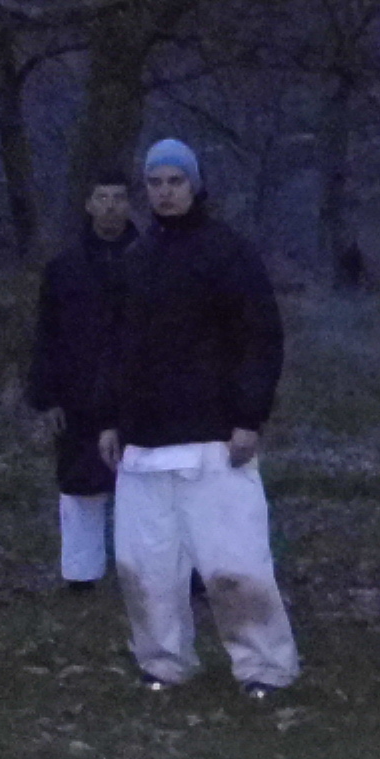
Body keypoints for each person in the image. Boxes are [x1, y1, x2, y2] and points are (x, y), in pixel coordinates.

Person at [94, 140, 300, 696]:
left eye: (175, 181)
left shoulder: (228, 253)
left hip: (214, 438)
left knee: (235, 564)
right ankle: (163, 661)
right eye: (155, 182)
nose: (165, 192)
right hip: (144, 444)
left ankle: (265, 667)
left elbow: (261, 338)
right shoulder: (135, 261)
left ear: (195, 184)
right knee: (146, 567)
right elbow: (115, 346)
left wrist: (248, 417)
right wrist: (109, 418)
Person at [26, 169, 137, 592]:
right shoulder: (64, 268)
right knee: (80, 485)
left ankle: (146, 570)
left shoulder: (152, 260)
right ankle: (81, 573)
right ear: (89, 205)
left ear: (130, 204)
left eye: (118, 197)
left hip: (139, 389)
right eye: (102, 198)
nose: (110, 206)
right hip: (77, 390)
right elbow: (47, 334)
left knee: (145, 485)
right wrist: (46, 396)